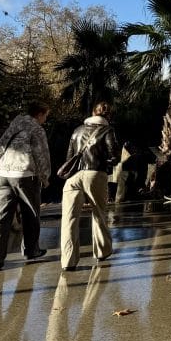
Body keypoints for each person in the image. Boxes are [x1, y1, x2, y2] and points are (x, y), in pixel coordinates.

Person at [0, 101, 51, 271]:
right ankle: (31, 250)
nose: (45, 120)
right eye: (46, 116)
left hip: (4, 174)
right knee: (31, 213)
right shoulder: (36, 129)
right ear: (40, 114)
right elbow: (41, 154)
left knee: (0, 215)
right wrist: (45, 177)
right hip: (25, 174)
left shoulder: (13, 125)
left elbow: (1, 146)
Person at [60, 101, 119, 271]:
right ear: (108, 115)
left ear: (93, 113)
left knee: (69, 219)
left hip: (73, 178)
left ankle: (68, 261)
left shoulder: (77, 130)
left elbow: (69, 156)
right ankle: (102, 251)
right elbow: (114, 156)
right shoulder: (108, 130)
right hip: (95, 174)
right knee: (99, 213)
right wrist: (106, 164)